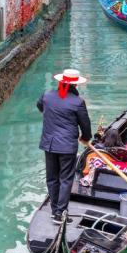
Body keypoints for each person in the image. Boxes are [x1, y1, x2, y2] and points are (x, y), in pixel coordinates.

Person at [37, 68, 92, 222]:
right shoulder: (78, 102)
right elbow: (85, 125)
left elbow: (40, 106)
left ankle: (55, 211)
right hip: (67, 146)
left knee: (52, 178)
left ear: (60, 82)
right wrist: (86, 137)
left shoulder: (47, 97)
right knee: (66, 179)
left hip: (49, 144)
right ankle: (60, 213)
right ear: (75, 85)